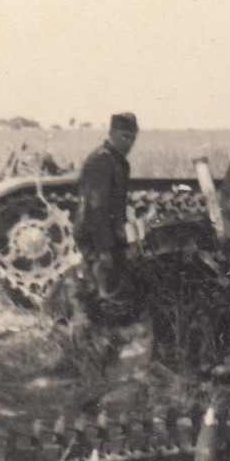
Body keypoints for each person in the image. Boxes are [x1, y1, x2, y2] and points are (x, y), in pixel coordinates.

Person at [73, 112, 139, 320]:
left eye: (132, 138)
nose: (128, 143)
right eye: (123, 137)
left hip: (108, 235)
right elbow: (96, 209)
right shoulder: (102, 161)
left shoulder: (117, 162)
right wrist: (105, 249)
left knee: (103, 285)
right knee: (105, 288)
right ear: (111, 134)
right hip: (95, 234)